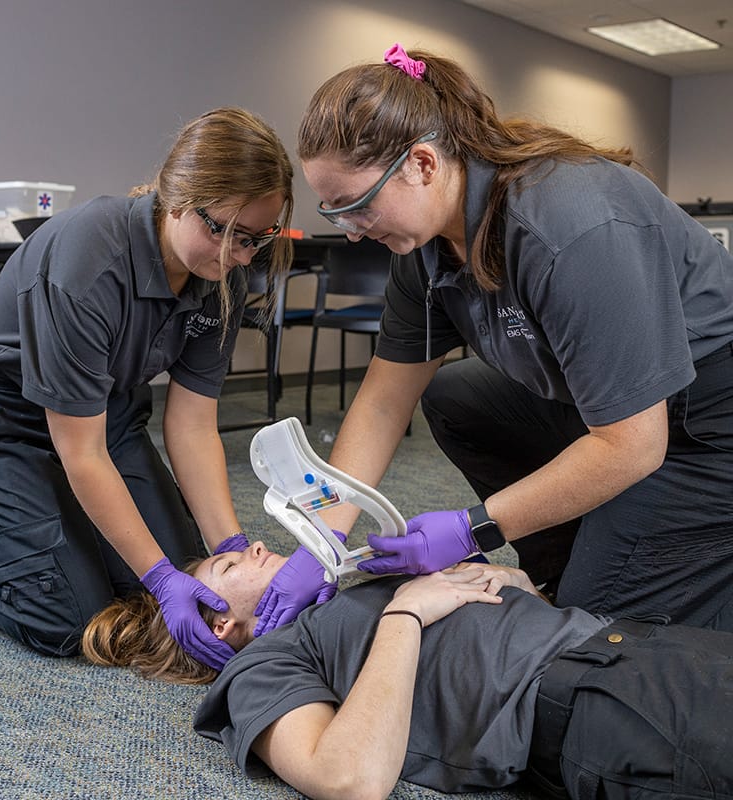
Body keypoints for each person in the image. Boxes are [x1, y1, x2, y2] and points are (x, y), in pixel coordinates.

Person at [294, 43, 733, 628]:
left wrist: (475, 527)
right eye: (333, 212)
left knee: (595, 638)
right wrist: (320, 542)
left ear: (422, 165)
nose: (350, 232)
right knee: (456, 395)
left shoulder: (569, 226)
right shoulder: (419, 249)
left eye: (356, 206)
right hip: (610, 410)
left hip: (704, 427)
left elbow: (634, 444)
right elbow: (380, 404)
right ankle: (569, 562)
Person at [0, 107, 334, 666]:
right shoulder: (89, 261)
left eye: (255, 239)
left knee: (179, 569)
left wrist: (230, 547)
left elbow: (192, 425)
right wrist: (160, 577)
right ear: (176, 198)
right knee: (68, 615)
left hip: (107, 413)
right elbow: (82, 452)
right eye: (223, 232)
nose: (238, 256)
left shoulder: (224, 272)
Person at [81, 539, 733, 800]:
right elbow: (346, 777)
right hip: (601, 703)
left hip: (640, 643)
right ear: (221, 625)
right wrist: (406, 614)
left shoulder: (344, 585)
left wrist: (511, 580)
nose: (253, 544)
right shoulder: (263, 664)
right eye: (230, 567)